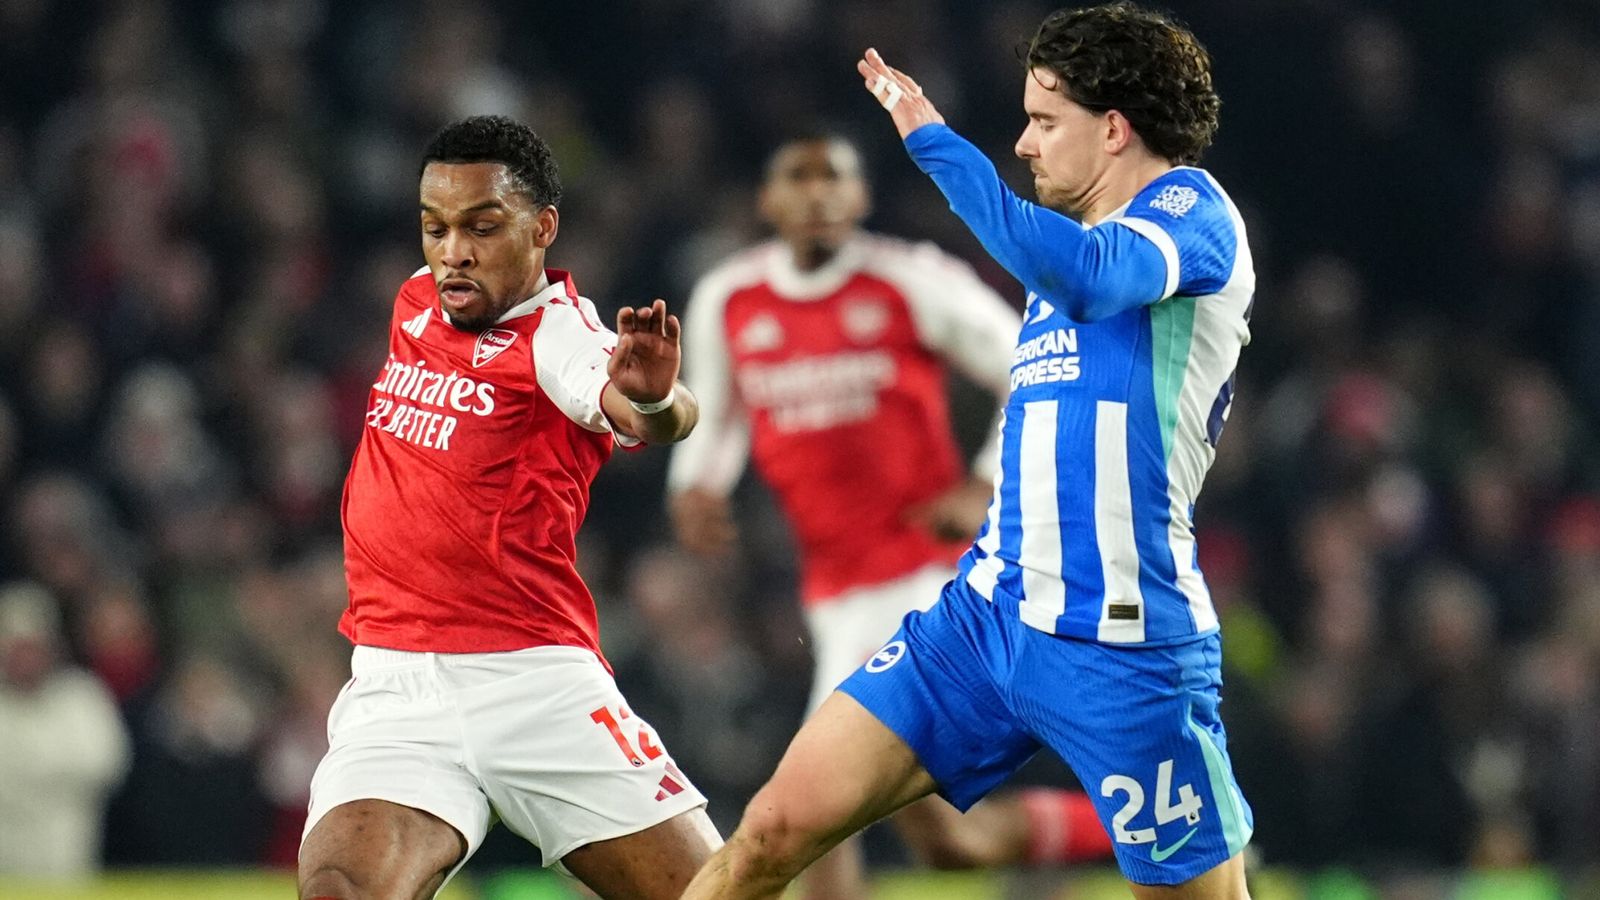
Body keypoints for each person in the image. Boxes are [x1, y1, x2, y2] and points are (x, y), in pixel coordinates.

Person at [683, 4, 1256, 898]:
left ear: (1113, 130)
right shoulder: (1065, 247)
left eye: (1044, 121)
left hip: (1124, 641)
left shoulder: (1191, 214)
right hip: (982, 619)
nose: (1025, 145)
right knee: (772, 831)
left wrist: (934, 142)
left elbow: (1089, 279)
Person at [668, 132, 1113, 895]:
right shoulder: (728, 299)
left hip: (924, 580)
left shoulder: (910, 279)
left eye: (834, 177)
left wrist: (984, 482)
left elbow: (1038, 363)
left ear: (861, 197)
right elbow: (714, 415)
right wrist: (695, 485)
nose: (818, 193)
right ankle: (1154, 826)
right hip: (832, 590)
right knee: (950, 843)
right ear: (768, 200)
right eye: (798, 176)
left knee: (805, 812)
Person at [297, 115, 721, 900]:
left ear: (542, 228)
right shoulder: (417, 300)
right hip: (397, 688)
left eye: (483, 227)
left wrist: (655, 397)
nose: (453, 251)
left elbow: (649, 412)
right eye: (436, 227)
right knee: (339, 892)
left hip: (534, 684)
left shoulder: (560, 337)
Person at [0, 580, 131, 878]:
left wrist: (27, 773)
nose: (24, 658)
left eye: (32, 647)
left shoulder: (81, 696)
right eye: (15, 648)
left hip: (66, 858)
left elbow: (106, 765)